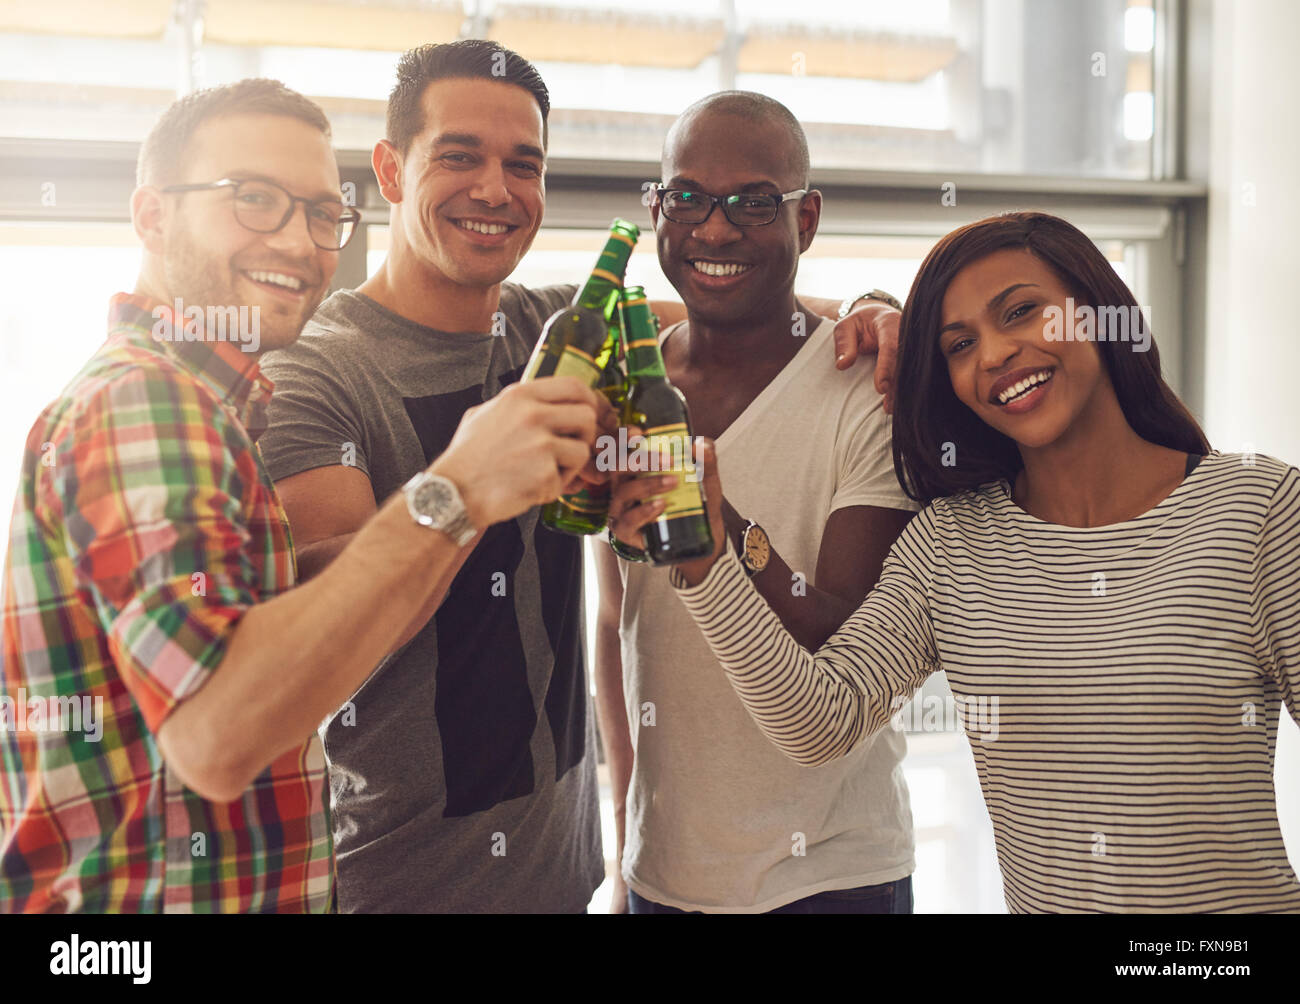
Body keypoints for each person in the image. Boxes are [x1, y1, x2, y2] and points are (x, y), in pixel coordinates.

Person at [257, 40, 902, 913]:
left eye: (522, 165)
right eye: (458, 156)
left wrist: (877, 309)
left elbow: (738, 301)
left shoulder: (557, 333)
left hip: (572, 879)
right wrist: (464, 487)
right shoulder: (319, 373)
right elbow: (321, 640)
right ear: (389, 171)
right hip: (400, 884)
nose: (494, 189)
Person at [0, 78, 611, 913]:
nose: (299, 242)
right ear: (151, 216)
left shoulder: (209, 406)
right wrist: (459, 485)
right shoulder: (146, 406)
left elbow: (270, 630)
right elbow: (217, 735)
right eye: (254, 200)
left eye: (323, 215)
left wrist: (481, 496)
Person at [618, 211, 1300, 913]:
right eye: (959, 344)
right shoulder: (950, 543)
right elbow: (819, 722)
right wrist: (708, 554)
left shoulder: (1257, 509)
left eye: (1022, 312)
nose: (996, 353)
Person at [597, 92, 917, 914]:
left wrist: (720, 529)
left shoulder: (867, 390)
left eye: (751, 202)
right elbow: (615, 621)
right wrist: (626, 831)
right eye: (689, 198)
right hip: (661, 876)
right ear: (657, 208)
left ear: (805, 220)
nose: (714, 228)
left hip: (833, 877)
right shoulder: (626, 387)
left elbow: (844, 630)